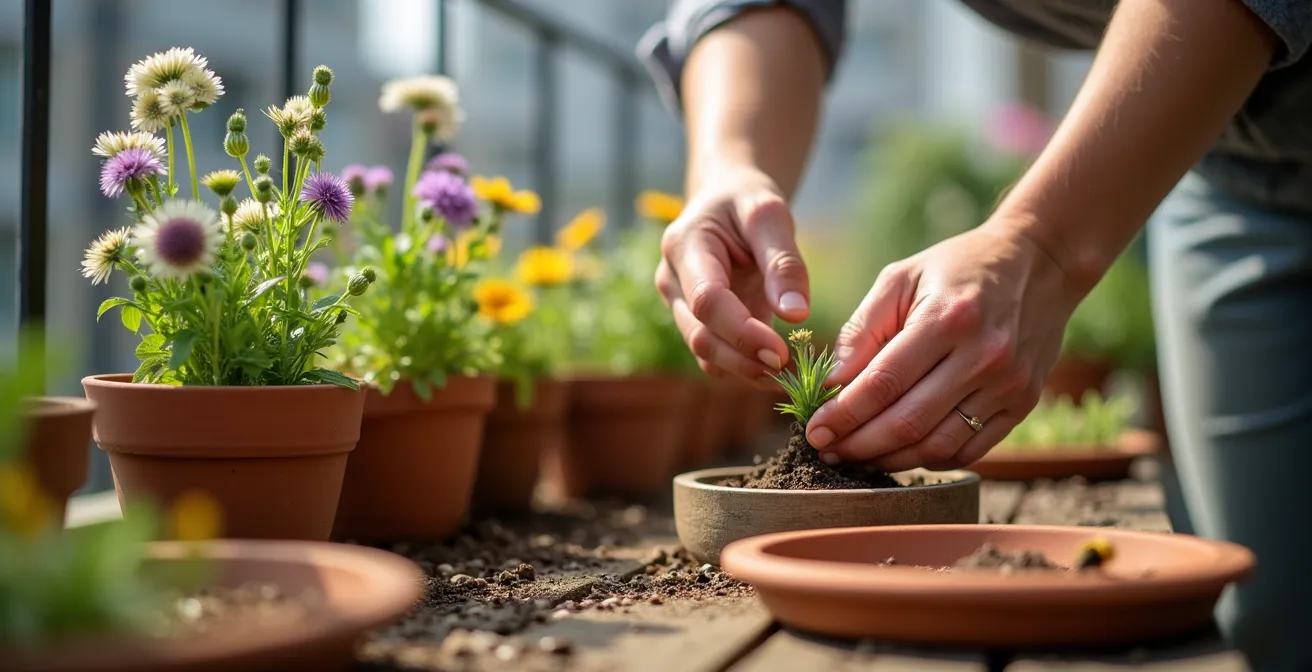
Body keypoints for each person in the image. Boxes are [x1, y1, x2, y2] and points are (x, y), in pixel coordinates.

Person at [637, 1, 1311, 669]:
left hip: (1214, 99)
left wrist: (1042, 246)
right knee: (1273, 614)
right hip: (1232, 158)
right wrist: (733, 165)